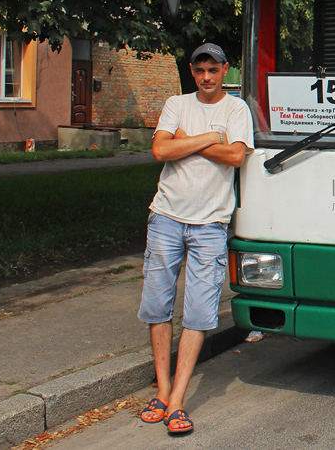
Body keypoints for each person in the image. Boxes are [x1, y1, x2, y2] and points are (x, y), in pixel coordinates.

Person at [137, 43, 253, 435]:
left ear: (224, 71)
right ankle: (163, 390)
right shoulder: (176, 103)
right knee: (157, 304)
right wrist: (211, 139)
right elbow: (159, 149)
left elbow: (237, 157)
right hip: (166, 217)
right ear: (192, 70)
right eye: (200, 70)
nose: (207, 77)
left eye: (214, 70)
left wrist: (190, 139)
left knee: (200, 313)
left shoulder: (237, 110)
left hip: (210, 225)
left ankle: (178, 401)